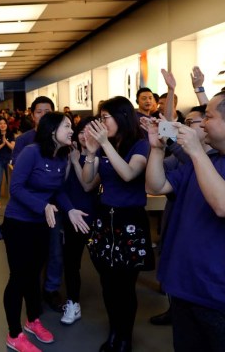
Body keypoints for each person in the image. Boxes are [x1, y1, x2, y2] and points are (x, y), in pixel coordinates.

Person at [145, 88, 225, 352]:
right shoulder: (205, 161)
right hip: (185, 288)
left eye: (208, 116)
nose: (203, 123)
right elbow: (156, 185)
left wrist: (196, 151)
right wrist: (156, 149)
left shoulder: (203, 159)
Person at [2, 112, 87, 352]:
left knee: (33, 275)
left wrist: (69, 210)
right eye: (68, 126)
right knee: (19, 277)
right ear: (52, 131)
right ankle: (14, 334)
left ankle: (32, 320)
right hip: (18, 223)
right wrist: (43, 205)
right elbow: (15, 187)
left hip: (42, 223)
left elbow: (58, 190)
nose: (72, 130)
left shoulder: (62, 156)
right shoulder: (31, 152)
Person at [82, 96, 153, 352]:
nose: (101, 123)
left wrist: (103, 145)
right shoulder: (106, 146)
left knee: (125, 286)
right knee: (108, 284)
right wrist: (90, 154)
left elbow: (128, 173)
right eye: (100, 118)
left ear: (121, 117)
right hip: (105, 220)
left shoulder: (141, 145)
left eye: (105, 118)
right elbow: (88, 184)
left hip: (129, 222)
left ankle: (125, 338)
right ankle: (114, 332)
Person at [61, 116, 100, 326]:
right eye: (82, 131)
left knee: (100, 262)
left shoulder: (102, 155)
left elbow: (88, 185)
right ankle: (73, 302)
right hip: (72, 219)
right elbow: (62, 185)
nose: (86, 136)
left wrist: (77, 161)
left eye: (91, 131)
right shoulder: (68, 154)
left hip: (94, 220)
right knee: (71, 263)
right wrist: (70, 159)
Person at [0, 117, 15, 210]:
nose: (2, 125)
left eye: (4, 123)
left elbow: (13, 147)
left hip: (9, 161)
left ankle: (12, 201)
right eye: (0, 123)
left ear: (7, 125)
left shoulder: (11, 134)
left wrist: (6, 141)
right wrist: (3, 144)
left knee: (11, 182)